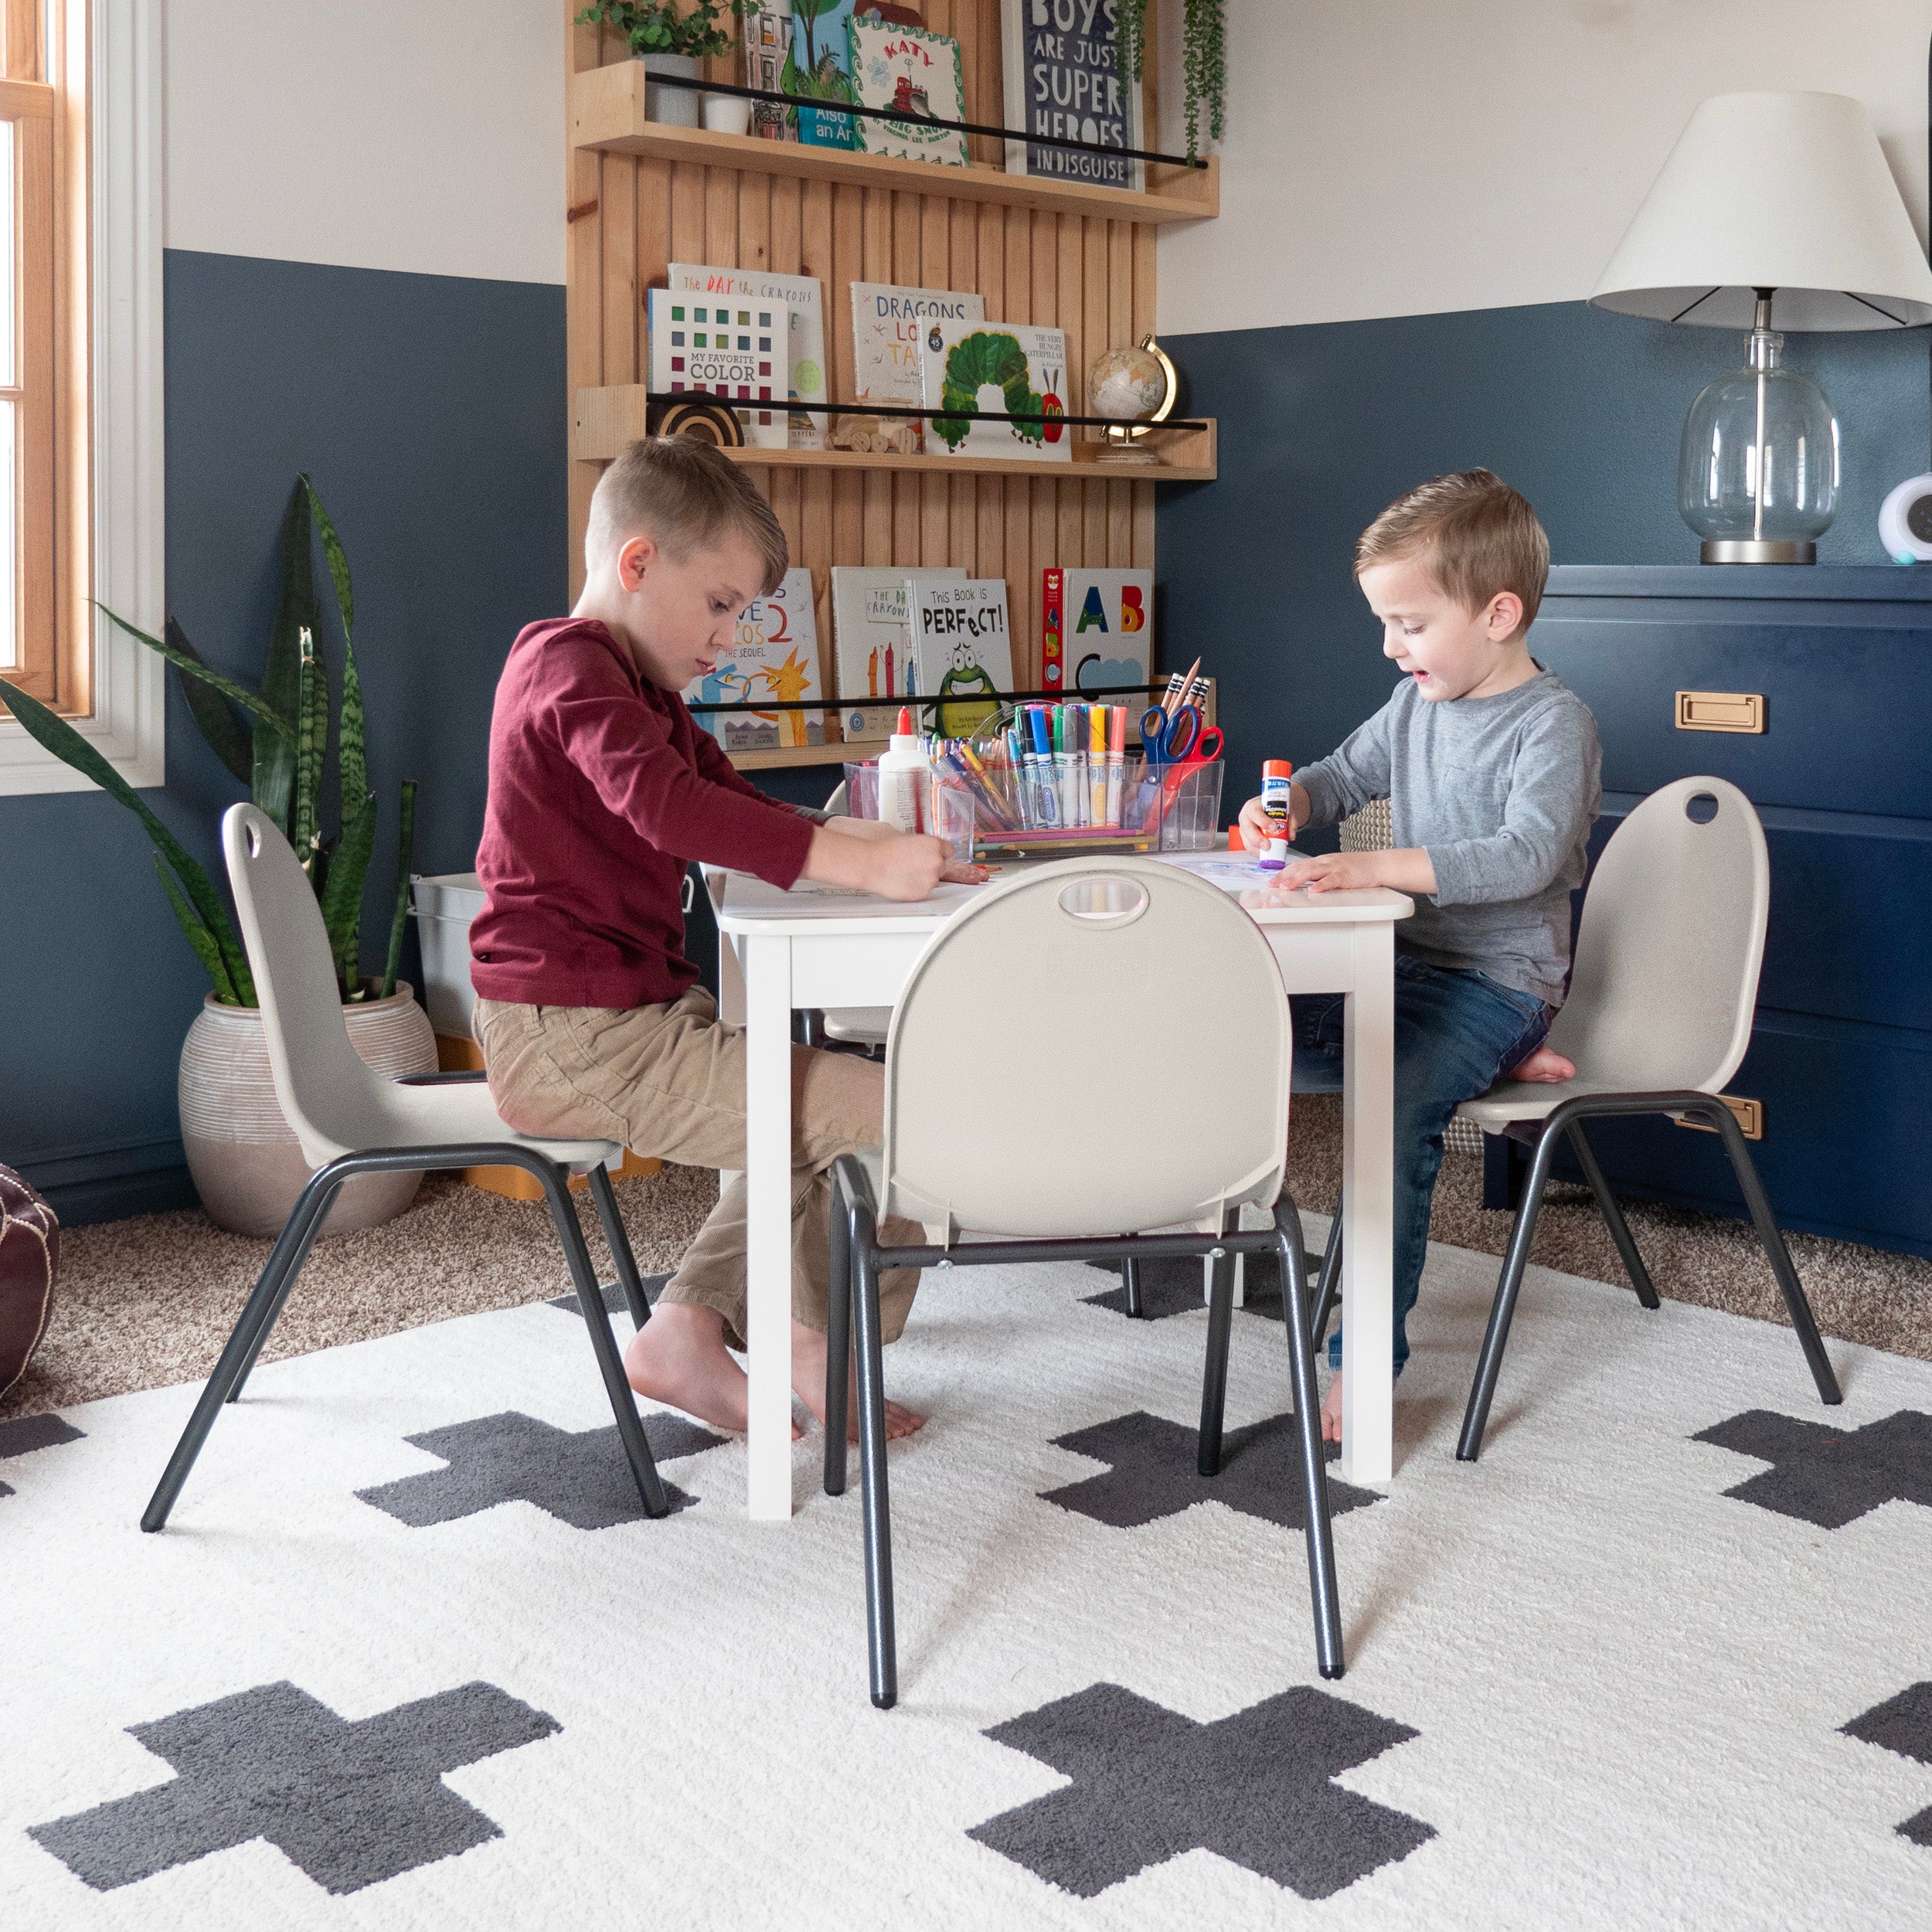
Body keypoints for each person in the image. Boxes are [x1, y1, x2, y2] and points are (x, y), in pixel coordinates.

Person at [469, 437, 982, 1441]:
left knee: (830, 1119)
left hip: (625, 1023)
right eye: (720, 604)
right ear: (637, 562)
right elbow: (665, 806)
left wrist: (873, 843)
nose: (731, 637)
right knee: (899, 1117)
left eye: (742, 614)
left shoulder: (641, 692)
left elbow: (728, 798)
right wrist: (861, 867)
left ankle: (695, 1331)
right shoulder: (567, 666)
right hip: (573, 1038)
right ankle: (805, 1343)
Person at [1236, 470, 1600, 1444]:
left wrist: (1371, 866)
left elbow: (1526, 855)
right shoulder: (1413, 706)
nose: (1391, 648)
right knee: (1247, 1015)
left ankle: (1364, 1363)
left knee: (1392, 1109)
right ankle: (1485, 1059)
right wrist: (1284, 805)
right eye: (1385, 625)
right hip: (1404, 965)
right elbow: (1334, 777)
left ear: (1497, 614)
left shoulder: (1552, 723)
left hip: (1498, 979)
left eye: (1410, 624)